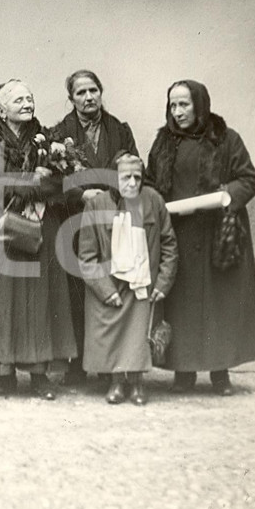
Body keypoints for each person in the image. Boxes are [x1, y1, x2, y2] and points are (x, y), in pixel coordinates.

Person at [146, 80, 255, 395]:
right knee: (181, 305)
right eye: (173, 105)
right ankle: (182, 372)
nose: (178, 111)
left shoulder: (226, 139)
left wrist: (226, 196)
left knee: (218, 304)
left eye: (184, 104)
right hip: (179, 235)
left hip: (218, 234)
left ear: (199, 105)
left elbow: (248, 179)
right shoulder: (163, 143)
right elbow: (151, 184)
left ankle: (219, 373)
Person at [0, 79, 78, 399]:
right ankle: (3, 374)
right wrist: (27, 182)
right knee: (1, 300)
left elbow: (62, 182)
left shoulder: (50, 142)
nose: (27, 103)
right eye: (18, 100)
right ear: (1, 111)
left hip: (42, 226)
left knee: (40, 299)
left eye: (30, 98)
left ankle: (40, 374)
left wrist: (41, 183)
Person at [50, 69, 139, 385]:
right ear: (71, 98)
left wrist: (115, 193)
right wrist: (80, 193)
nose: (88, 98)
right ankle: (76, 362)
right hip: (76, 221)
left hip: (112, 219)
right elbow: (52, 180)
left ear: (101, 92)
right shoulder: (59, 134)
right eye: (80, 93)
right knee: (77, 289)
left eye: (93, 91)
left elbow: (133, 170)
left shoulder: (120, 130)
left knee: (110, 284)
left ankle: (108, 359)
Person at [78, 154, 178, 405]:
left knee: (138, 336)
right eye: (126, 177)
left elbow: (169, 244)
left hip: (142, 285)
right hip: (110, 287)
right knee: (111, 335)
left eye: (138, 177)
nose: (133, 183)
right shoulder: (97, 205)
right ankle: (116, 382)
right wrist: (105, 289)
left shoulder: (154, 201)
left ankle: (136, 383)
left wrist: (163, 283)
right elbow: (86, 255)